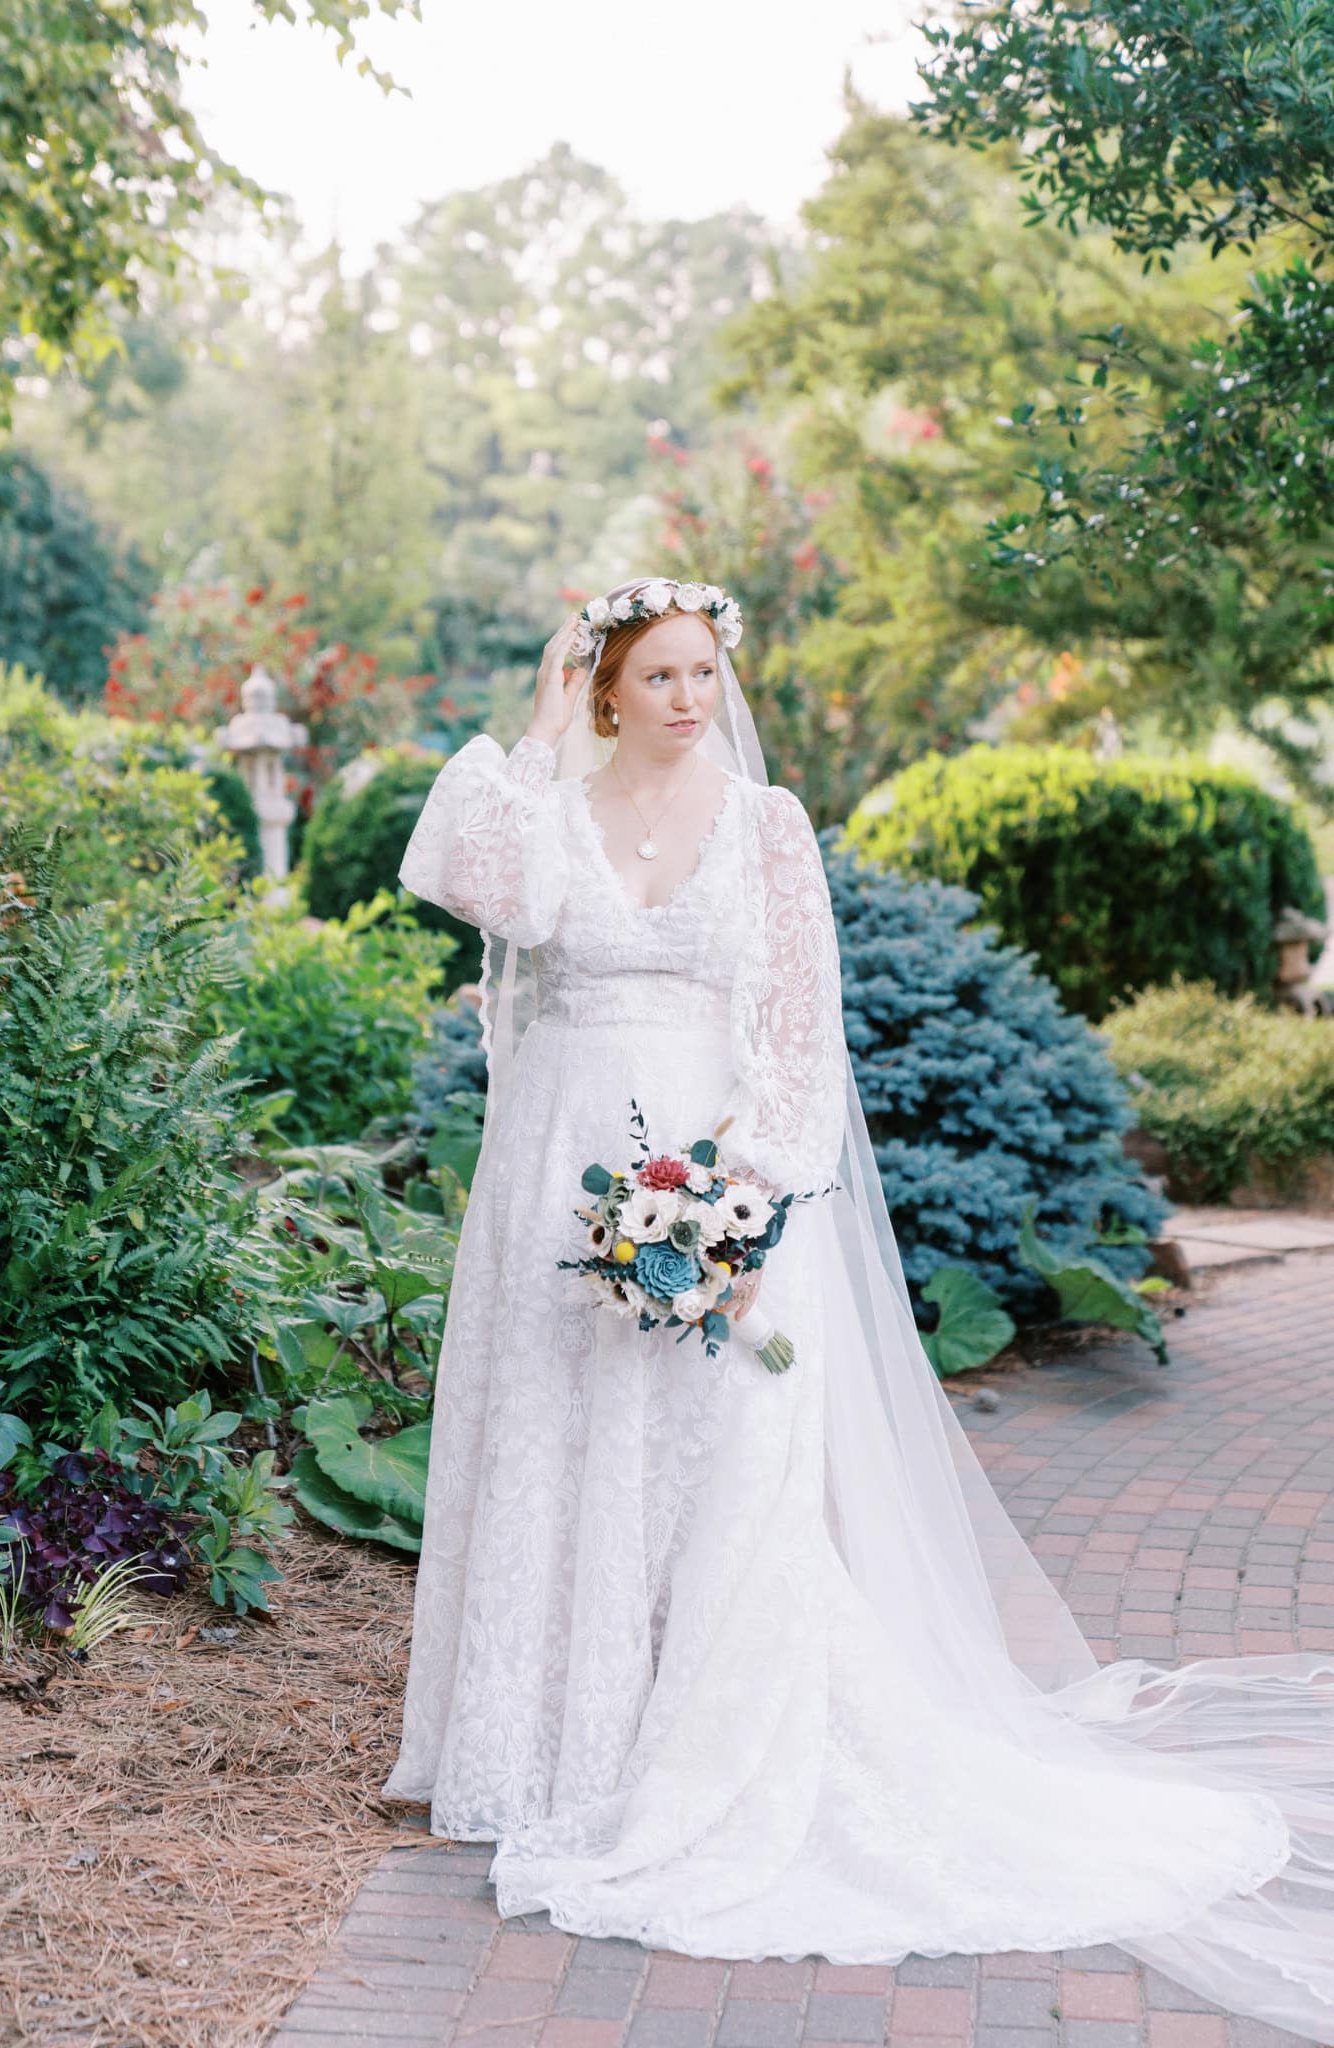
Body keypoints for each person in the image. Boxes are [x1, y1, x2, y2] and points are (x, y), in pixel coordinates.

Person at [384, 577, 1334, 2041]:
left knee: (719, 1464)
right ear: (604, 688)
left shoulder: (765, 830)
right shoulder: (548, 811)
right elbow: (471, 883)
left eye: (706, 671)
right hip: (554, 1180)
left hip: (702, 1177)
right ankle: (555, 1755)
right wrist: (528, 725)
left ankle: (699, 1751)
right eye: (658, 676)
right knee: (560, 1439)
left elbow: (795, 1033)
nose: (690, 698)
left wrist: (743, 1210)